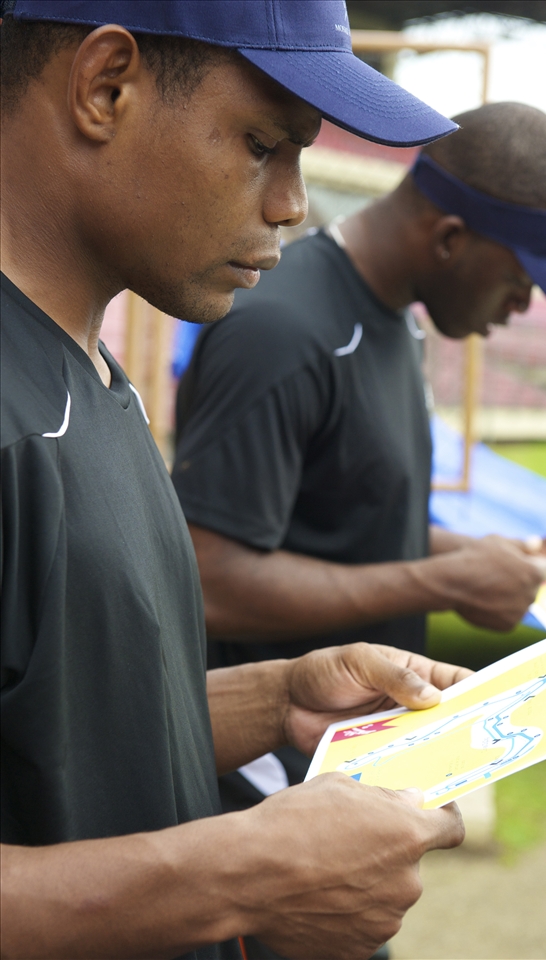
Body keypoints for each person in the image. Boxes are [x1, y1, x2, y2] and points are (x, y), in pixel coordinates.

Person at [0, 3, 470, 959]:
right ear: (106, 87)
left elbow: (58, 734)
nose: (292, 203)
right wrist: (238, 876)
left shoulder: (90, 373)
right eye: (263, 145)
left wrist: (275, 701)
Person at [171, 102, 546, 813]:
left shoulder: (396, 323)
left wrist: (479, 557)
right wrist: (439, 582)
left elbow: (345, 518)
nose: (522, 306)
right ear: (450, 239)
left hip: (354, 761)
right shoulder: (280, 334)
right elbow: (211, 580)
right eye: (520, 279)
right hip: (262, 788)